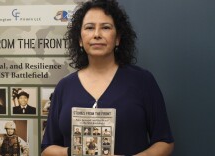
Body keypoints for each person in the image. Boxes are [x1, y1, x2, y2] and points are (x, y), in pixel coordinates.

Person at [41, 0, 174, 155]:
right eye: (89, 28)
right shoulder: (65, 86)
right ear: (79, 40)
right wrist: (76, 152)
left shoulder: (143, 81)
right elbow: (47, 148)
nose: (97, 34)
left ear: (117, 38)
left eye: (105, 27)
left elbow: (165, 141)